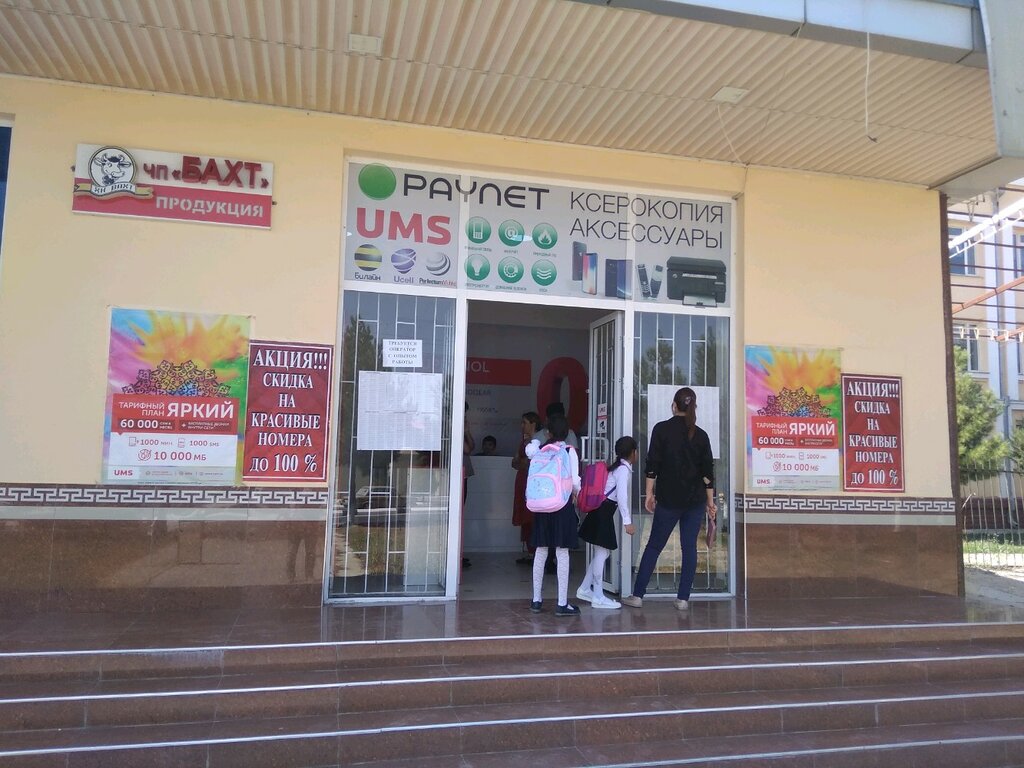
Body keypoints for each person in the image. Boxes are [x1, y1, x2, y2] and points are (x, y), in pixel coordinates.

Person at [622, 387, 716, 611]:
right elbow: (708, 474)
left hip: (668, 500)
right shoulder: (701, 435)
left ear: (674, 406)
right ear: (694, 407)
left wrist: (649, 493)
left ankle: (638, 596)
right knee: (689, 548)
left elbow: (652, 465)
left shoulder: (661, 429)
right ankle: (683, 599)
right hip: (694, 501)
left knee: (654, 545)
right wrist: (710, 503)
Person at [526, 413, 581, 616]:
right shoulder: (568, 451)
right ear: (567, 433)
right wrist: (576, 494)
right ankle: (562, 603)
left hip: (541, 506)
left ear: (548, 432)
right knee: (562, 552)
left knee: (541, 551)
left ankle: (536, 600)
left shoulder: (540, 451)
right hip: (561, 505)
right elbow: (575, 481)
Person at [576, 435, 638, 609]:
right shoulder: (623, 470)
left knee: (601, 553)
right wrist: (627, 522)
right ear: (633, 453)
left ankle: (585, 589)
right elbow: (622, 498)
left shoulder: (616, 467)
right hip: (603, 512)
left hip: (600, 511)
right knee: (602, 553)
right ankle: (597, 596)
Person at [512, 412, 541, 565]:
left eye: (525, 422)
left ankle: (537, 551)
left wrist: (521, 462)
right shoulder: (523, 441)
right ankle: (530, 552)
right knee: (524, 515)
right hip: (522, 479)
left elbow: (526, 463)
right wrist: (521, 462)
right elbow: (515, 462)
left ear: (533, 424)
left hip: (533, 482)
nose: (522, 426)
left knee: (532, 516)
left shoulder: (539, 440)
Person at [462, 402, 475, 569]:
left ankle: (459, 552)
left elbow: (471, 446)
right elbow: (466, 449)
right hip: (457, 475)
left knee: (460, 513)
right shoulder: (453, 423)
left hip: (464, 473)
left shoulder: (463, 425)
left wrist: (467, 431)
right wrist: (464, 430)